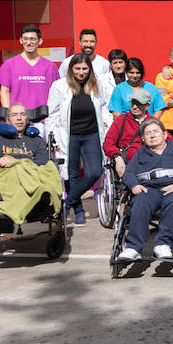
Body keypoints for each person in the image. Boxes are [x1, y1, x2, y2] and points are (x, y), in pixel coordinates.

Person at [117, 118, 173, 262]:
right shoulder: (140, 154)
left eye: (156, 132)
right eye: (148, 133)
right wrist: (134, 185)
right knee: (141, 200)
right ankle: (133, 247)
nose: (152, 135)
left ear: (164, 134)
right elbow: (128, 173)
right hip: (150, 189)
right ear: (143, 139)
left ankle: (163, 244)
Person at [46, 53, 113, 225]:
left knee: (95, 172)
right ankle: (79, 210)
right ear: (71, 69)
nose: (81, 72)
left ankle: (67, 203)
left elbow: (104, 108)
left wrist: (109, 127)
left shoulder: (96, 85)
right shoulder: (59, 86)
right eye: (77, 68)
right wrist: (51, 138)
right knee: (71, 174)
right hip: (69, 136)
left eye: (84, 69)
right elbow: (51, 114)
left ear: (89, 69)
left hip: (91, 134)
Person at [0, 104, 61, 224]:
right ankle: (36, 200)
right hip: (6, 175)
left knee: (47, 169)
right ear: (7, 119)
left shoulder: (36, 140)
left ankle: (37, 199)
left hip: (31, 174)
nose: (19, 118)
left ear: (27, 118)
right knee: (15, 171)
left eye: (22, 114)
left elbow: (43, 164)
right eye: (14, 115)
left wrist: (18, 162)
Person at [0, 24, 60, 127]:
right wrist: (10, 117)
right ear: (20, 40)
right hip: (18, 121)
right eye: (25, 39)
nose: (28, 42)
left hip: (42, 121)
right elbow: (4, 92)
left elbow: (56, 95)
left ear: (40, 41)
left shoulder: (50, 66)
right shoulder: (9, 64)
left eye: (32, 39)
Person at [103, 90, 155, 180]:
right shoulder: (121, 120)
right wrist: (117, 157)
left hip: (152, 162)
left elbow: (168, 142)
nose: (134, 107)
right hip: (128, 163)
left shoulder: (153, 122)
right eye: (133, 103)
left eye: (138, 103)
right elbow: (108, 143)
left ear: (147, 105)